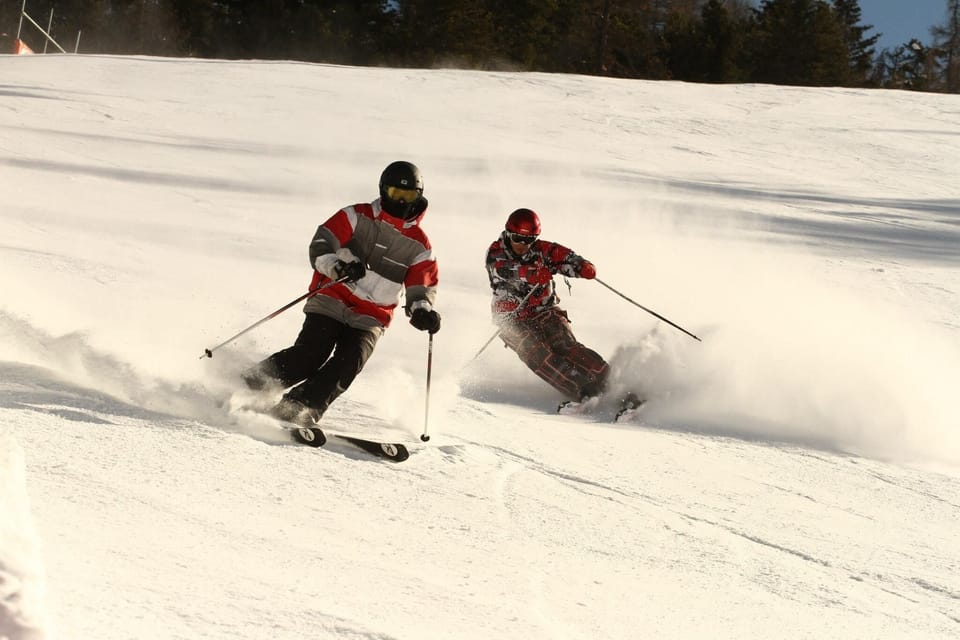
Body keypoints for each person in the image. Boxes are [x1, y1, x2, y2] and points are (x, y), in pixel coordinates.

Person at [242, 160, 441, 427]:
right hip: (333, 295)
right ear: (383, 191)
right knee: (311, 353)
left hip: (373, 314)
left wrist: (422, 310)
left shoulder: (420, 246)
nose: (402, 202)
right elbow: (322, 243)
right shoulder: (356, 216)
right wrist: (338, 266)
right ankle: (251, 384)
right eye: (396, 194)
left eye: (409, 195)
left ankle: (300, 407)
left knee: (349, 363)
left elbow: (421, 285)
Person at [485, 208, 626, 411]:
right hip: (511, 319)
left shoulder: (542, 250)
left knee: (566, 346)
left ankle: (612, 381)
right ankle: (582, 390)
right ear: (508, 233)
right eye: (518, 238)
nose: (523, 245)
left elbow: (564, 257)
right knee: (537, 353)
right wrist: (532, 273)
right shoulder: (495, 253)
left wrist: (581, 266)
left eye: (529, 240)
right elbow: (505, 271)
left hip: (544, 310)